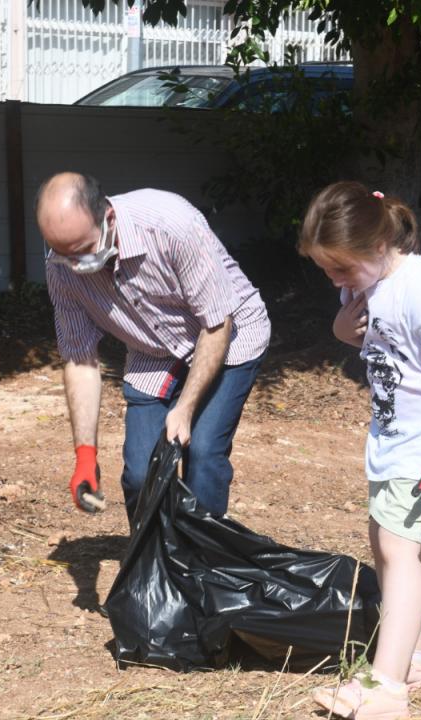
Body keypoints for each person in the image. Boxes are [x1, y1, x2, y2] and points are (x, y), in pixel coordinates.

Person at [298, 181, 421, 719]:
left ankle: (386, 690)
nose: (336, 281)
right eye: (327, 272)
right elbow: (369, 335)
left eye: (342, 270)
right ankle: (415, 661)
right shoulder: (366, 283)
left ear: (379, 245)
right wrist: (340, 326)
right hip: (392, 433)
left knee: (400, 552)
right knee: (383, 543)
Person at [37, 172, 270, 521]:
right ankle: (153, 566)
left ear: (108, 218)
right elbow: (80, 359)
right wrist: (85, 455)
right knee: (140, 474)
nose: (75, 265)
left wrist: (186, 408)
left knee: (203, 452)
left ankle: (201, 564)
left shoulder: (171, 224)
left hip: (229, 334)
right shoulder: (62, 270)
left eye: (83, 251)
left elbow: (217, 324)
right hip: (154, 353)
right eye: (62, 253)